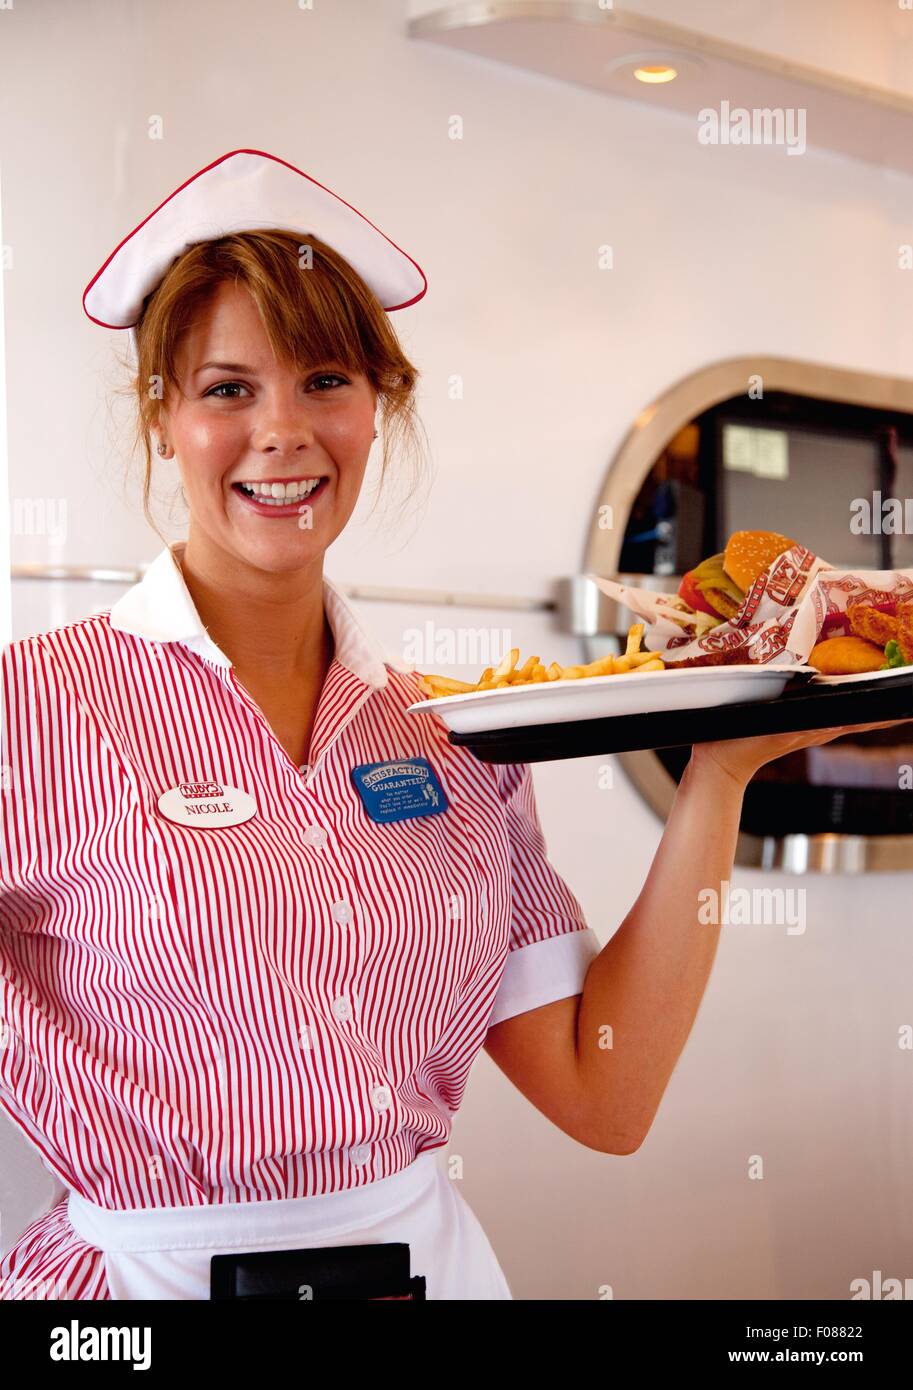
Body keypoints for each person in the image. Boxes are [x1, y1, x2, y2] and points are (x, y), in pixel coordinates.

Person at [0, 149, 906, 1301]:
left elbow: (604, 1094)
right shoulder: (27, 713)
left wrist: (717, 778)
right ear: (164, 419)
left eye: (324, 379)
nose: (283, 432)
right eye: (228, 388)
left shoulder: (459, 733)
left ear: (377, 409)